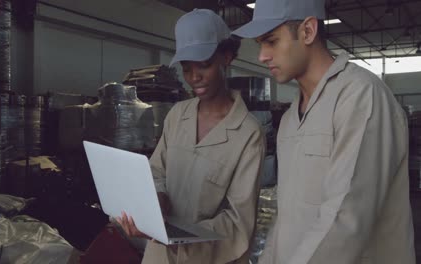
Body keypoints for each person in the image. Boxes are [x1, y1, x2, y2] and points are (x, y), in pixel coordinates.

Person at [232, 0, 416, 263]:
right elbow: (285, 219)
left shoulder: (360, 97)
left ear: (308, 31)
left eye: (271, 41)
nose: (262, 56)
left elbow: (346, 219)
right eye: (260, 44)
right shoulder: (289, 121)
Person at [116, 9, 265, 264]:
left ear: (226, 57)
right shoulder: (177, 115)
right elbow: (156, 172)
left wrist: (178, 238)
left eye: (204, 65)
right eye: (186, 68)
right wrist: (156, 200)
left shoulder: (248, 134)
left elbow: (238, 222)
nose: (194, 77)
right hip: (159, 256)